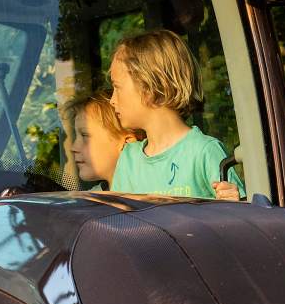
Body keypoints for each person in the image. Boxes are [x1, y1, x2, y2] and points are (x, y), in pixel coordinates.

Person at [107, 29, 242, 200]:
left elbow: (236, 210)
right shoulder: (129, 160)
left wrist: (232, 201)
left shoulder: (204, 151)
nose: (112, 100)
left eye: (117, 87)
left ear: (150, 87)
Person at [67, 92, 142, 189]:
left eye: (85, 135)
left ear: (127, 143)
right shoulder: (91, 196)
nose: (73, 148)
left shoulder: (152, 193)